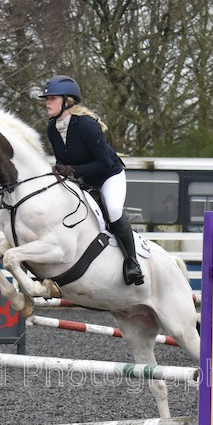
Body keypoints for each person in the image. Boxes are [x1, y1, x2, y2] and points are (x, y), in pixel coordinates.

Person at [38, 75, 144, 286]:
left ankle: (133, 263)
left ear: (67, 101)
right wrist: (61, 171)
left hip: (108, 176)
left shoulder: (86, 125)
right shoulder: (52, 128)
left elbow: (104, 163)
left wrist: (73, 169)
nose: (47, 102)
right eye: (46, 98)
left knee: (113, 210)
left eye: (52, 98)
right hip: (83, 178)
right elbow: (63, 159)